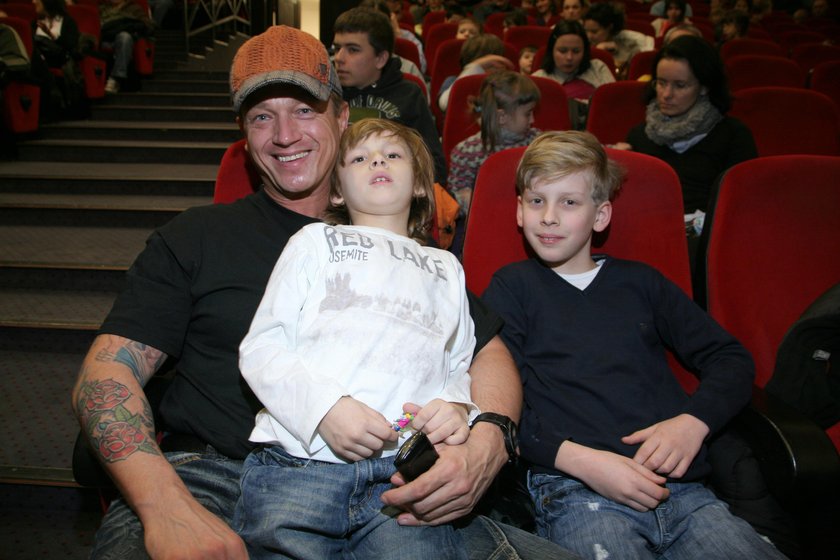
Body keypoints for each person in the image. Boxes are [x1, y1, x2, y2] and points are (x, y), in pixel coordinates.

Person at [71, 24, 576, 560]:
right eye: (262, 117)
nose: (284, 135)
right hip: (214, 477)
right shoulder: (196, 236)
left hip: (392, 482)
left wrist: (486, 442)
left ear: (341, 117)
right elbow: (104, 375)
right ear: (244, 135)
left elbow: (486, 352)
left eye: (304, 110)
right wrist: (163, 503)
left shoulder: (408, 252)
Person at [481, 129, 789, 560]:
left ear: (600, 215)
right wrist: (583, 462)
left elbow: (730, 358)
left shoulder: (641, 283)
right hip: (575, 490)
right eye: (536, 201)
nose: (549, 217)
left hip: (682, 492)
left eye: (569, 202)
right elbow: (500, 401)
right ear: (519, 210)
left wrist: (693, 423)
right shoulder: (512, 288)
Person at [234, 118, 478, 558]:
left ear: (419, 185)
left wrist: (456, 406)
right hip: (301, 463)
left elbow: (458, 362)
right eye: (361, 158)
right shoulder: (314, 242)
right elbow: (263, 348)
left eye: (393, 155)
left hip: (403, 473)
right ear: (337, 192)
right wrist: (325, 408)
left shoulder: (447, 268)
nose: (378, 161)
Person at [620, 36, 757, 221]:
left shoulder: (734, 136)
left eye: (680, 85)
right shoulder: (638, 136)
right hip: (649, 227)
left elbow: (743, 205)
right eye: (661, 82)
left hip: (709, 232)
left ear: (704, 87)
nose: (666, 94)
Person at [333, 7, 447, 185]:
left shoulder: (409, 95)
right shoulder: (327, 94)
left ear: (380, 59)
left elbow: (435, 166)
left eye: (353, 50)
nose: (339, 58)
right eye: (337, 48)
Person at [448, 70, 541, 217]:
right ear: (502, 117)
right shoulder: (467, 152)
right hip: (486, 219)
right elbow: (455, 201)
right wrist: (469, 200)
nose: (532, 120)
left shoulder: (538, 143)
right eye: (528, 114)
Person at [531, 20, 615, 128]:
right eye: (562, 51)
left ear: (584, 51)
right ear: (552, 51)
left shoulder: (597, 68)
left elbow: (613, 104)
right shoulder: (538, 79)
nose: (569, 57)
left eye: (576, 51)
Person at [438, 33, 513, 112]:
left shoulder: (505, 83)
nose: (492, 66)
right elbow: (445, 104)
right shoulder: (452, 80)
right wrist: (475, 67)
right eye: (487, 64)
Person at [583, 2, 654, 78]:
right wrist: (598, 51)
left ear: (609, 27)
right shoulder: (581, 44)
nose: (588, 36)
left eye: (594, 32)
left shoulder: (629, 47)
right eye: (586, 31)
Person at [98, 0, 154, 94]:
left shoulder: (134, 8)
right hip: (105, 39)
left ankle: (116, 78)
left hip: (124, 41)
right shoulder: (102, 8)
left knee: (124, 37)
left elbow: (148, 25)